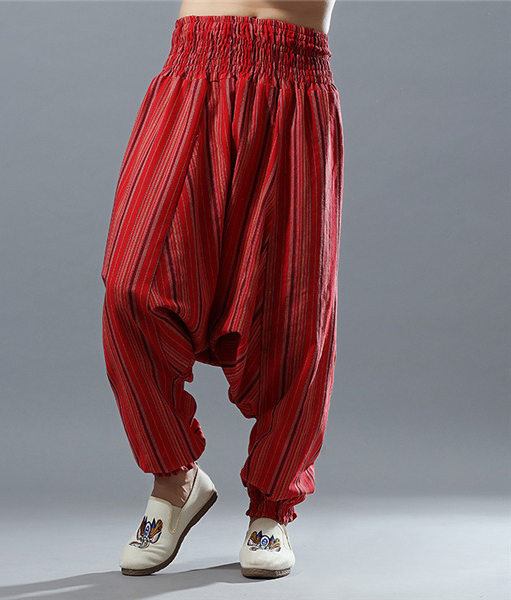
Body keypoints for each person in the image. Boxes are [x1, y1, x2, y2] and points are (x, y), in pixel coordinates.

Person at [100, 0, 343, 579]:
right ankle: (175, 478)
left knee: (291, 310)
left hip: (294, 84)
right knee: (131, 287)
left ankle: (272, 508)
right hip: (194, 71)